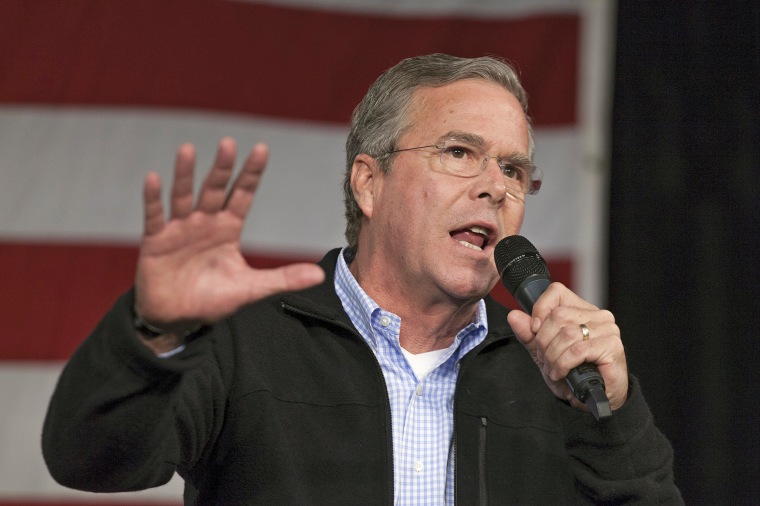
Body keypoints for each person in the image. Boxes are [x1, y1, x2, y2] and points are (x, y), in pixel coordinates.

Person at [43, 54, 682, 504]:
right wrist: (156, 332)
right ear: (368, 183)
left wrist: (610, 418)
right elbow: (90, 459)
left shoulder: (558, 376)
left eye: (514, 170)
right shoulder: (250, 341)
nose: (495, 187)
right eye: (459, 153)